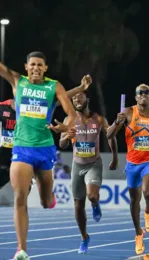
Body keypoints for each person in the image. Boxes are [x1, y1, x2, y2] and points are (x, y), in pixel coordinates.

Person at [0, 51, 77, 260]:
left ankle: (47, 195)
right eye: (32, 64)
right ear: (26, 67)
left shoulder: (54, 86)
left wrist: (65, 127)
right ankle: (21, 249)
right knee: (19, 199)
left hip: (44, 148)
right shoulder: (18, 81)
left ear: (45, 68)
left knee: (44, 202)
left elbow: (72, 114)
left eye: (40, 65)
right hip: (22, 148)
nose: (35, 68)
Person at [107, 84, 149, 255]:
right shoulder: (128, 112)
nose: (143, 95)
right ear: (136, 97)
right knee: (134, 201)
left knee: (148, 193)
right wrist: (116, 122)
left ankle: (148, 212)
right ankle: (138, 233)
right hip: (132, 163)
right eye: (140, 93)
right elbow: (109, 135)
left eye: (146, 92)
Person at [0, 79, 92, 190]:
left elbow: (60, 98)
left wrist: (80, 88)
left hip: (23, 155)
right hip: (3, 155)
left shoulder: (35, 109)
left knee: (25, 189)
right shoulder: (3, 107)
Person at [59, 90, 118, 254]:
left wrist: (115, 158)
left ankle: (95, 204)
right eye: (74, 97)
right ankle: (85, 237)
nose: (77, 99)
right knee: (78, 207)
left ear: (87, 99)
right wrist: (66, 137)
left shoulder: (98, 119)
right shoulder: (69, 120)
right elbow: (62, 143)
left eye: (80, 96)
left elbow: (111, 136)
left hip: (93, 164)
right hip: (77, 165)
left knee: (92, 195)